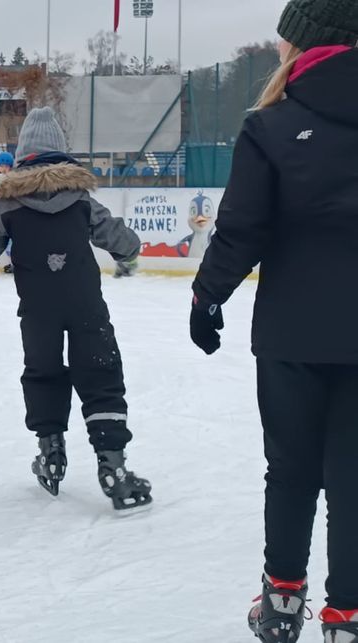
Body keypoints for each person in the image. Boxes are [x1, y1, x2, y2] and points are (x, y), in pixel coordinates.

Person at [189, 2, 358, 639]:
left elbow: (240, 229)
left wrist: (207, 298)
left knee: (291, 468)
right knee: (353, 474)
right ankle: (347, 613)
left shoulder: (272, 125)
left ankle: (282, 600)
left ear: (301, 45)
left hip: (293, 332)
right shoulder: (272, 123)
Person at [0, 106, 150, 512]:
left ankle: (50, 452)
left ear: (24, 153)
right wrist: (128, 256)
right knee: (102, 374)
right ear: (63, 154)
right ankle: (112, 465)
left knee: (43, 374)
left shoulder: (8, 205)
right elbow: (117, 236)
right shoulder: (80, 200)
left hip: (37, 312)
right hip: (86, 306)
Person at [0, 151, 16, 274]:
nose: (4, 169)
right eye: (2, 166)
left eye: (6, 167)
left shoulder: (13, 179)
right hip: (1, 215)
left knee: (13, 241)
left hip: (12, 214)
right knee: (4, 241)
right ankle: (12, 262)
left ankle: (14, 263)